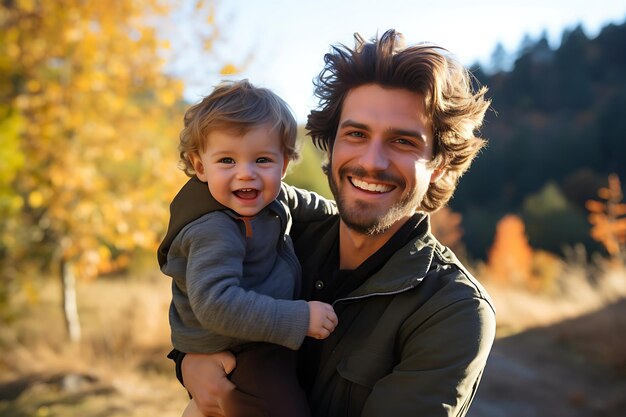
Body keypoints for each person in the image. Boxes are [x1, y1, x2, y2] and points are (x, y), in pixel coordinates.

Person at [170, 29, 497, 416]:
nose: (372, 161)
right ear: (331, 143)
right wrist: (189, 362)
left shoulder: (451, 308)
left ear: (439, 166)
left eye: (402, 141)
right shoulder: (284, 231)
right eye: (356, 134)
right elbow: (206, 298)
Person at [157, 80, 338, 417]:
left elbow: (308, 204)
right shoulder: (214, 229)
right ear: (200, 167)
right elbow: (217, 305)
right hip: (232, 345)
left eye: (262, 160)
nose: (246, 174)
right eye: (227, 160)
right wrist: (299, 317)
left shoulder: (273, 195)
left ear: (283, 167)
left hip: (253, 333)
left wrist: (343, 214)